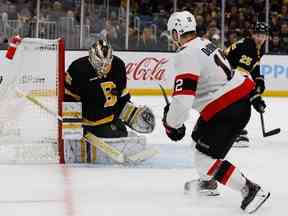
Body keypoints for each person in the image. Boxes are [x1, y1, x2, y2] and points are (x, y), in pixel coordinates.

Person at [162, 11, 270, 214]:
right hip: (232, 100)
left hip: (226, 107)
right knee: (197, 140)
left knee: (204, 159)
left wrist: (171, 124)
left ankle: (251, 190)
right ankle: (208, 182)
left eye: (171, 34)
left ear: (176, 33)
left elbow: (183, 101)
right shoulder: (204, 43)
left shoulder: (186, 54)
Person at [64, 39, 155, 163]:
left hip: (110, 119)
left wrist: (131, 113)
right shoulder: (78, 69)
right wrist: (73, 127)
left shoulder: (118, 66)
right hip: (88, 123)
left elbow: (121, 96)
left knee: (122, 133)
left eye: (107, 64)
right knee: (112, 137)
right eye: (99, 63)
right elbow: (69, 99)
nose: (104, 67)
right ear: (91, 58)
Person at [224, 22, 269, 147]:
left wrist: (259, 79)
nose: (260, 38)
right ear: (253, 35)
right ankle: (234, 133)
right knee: (241, 101)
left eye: (262, 35)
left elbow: (254, 65)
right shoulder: (248, 48)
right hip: (222, 74)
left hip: (227, 73)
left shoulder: (258, 47)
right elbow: (240, 77)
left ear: (266, 37)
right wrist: (255, 96)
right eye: (257, 35)